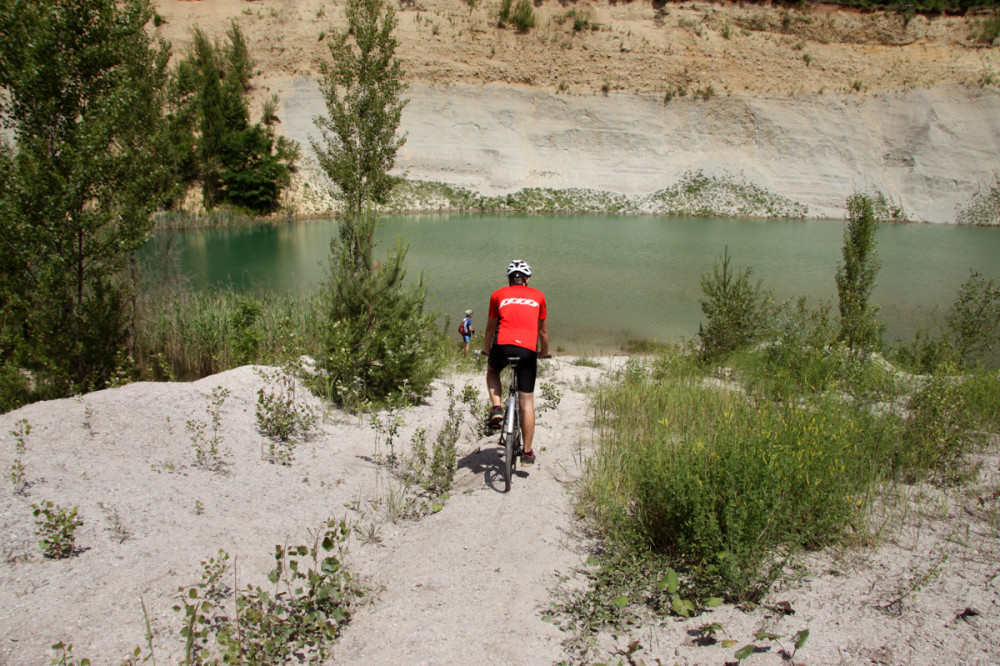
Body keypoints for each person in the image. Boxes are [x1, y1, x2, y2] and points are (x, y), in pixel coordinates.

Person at [481, 259, 549, 466]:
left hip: (502, 346)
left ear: (509, 279)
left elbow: (491, 328)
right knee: (526, 401)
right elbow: (543, 331)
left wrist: (486, 349)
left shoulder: (497, 295)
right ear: (526, 279)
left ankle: (497, 407)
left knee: (493, 371)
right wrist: (544, 352)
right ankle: (527, 453)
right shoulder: (538, 296)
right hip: (528, 351)